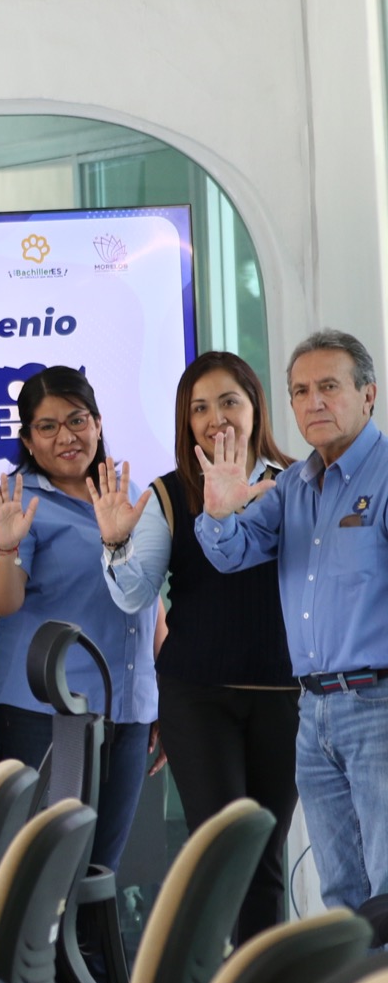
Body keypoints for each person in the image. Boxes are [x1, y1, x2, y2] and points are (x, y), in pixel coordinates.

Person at [95, 352, 296, 940]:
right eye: (199, 408)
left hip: (282, 692)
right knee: (221, 847)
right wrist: (114, 543)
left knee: (264, 853)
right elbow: (134, 595)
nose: (216, 418)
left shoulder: (293, 486)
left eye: (229, 401)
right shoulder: (165, 493)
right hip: (196, 697)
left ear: (256, 408)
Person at [197, 329, 388, 914]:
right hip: (313, 714)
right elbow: (230, 554)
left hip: (378, 708)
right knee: (341, 897)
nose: (314, 403)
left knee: (387, 890)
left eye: (329, 387)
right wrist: (219, 510)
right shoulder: (293, 486)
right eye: (300, 391)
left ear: (368, 395)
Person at [0, 366, 157, 872]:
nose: (66, 437)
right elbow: (1, 602)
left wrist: (159, 688)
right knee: (49, 879)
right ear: (29, 441)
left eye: (77, 420)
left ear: (98, 424)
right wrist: (5, 545)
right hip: (50, 716)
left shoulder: (128, 492)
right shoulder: (15, 501)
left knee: (101, 872)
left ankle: (91, 957)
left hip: (128, 711)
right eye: (47, 426)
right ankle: (46, 958)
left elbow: (149, 599)